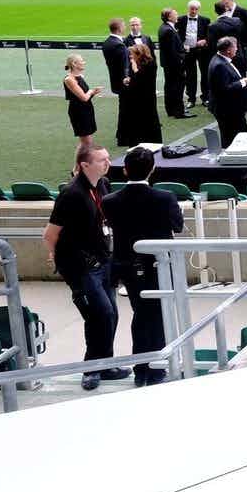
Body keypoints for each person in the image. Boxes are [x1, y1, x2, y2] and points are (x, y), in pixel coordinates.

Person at [44, 145, 130, 390]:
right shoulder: (71, 194)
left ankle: (105, 364)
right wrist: (57, 257)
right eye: (101, 160)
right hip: (82, 268)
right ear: (84, 165)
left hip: (103, 262)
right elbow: (50, 234)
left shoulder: (102, 186)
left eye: (107, 159)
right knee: (99, 315)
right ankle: (91, 368)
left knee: (110, 314)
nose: (107, 163)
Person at [101, 146, 183, 387]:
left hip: (128, 266)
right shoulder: (165, 198)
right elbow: (177, 226)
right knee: (154, 315)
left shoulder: (110, 201)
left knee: (142, 313)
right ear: (152, 170)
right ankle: (153, 369)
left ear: (125, 170)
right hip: (157, 265)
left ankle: (143, 369)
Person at [207, 36, 247, 143]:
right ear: (228, 50)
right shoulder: (220, 65)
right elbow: (225, 89)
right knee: (234, 138)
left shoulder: (220, 60)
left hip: (230, 109)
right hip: (228, 110)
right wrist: (243, 82)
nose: (237, 49)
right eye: (235, 47)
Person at [63, 54, 103, 144]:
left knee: (87, 141)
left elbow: (84, 96)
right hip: (79, 112)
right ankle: (83, 158)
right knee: (86, 142)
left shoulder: (80, 77)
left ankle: (85, 157)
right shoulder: (69, 79)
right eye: (81, 61)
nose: (84, 62)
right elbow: (84, 98)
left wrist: (93, 92)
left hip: (86, 109)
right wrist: (91, 91)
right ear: (74, 64)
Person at [157, 9, 187, 119]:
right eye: (175, 14)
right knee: (177, 86)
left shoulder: (164, 28)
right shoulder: (168, 30)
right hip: (174, 65)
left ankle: (171, 109)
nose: (177, 16)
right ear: (169, 17)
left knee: (169, 86)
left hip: (168, 64)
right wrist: (182, 56)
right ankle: (179, 111)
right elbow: (172, 51)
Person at [102, 18, 129, 96]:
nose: (125, 27)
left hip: (114, 80)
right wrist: (127, 78)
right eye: (124, 26)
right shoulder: (119, 45)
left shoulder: (106, 42)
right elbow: (125, 65)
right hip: (124, 83)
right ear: (120, 29)